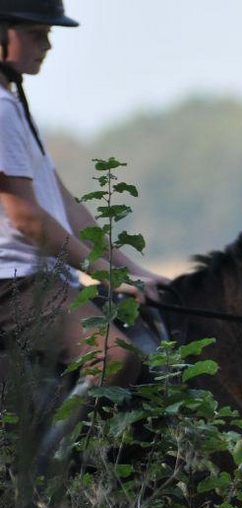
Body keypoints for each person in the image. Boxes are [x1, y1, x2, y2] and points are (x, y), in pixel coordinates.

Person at [0, 1, 166, 395]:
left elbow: (69, 208)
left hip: (43, 277)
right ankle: (53, 458)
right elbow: (27, 218)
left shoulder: (13, 106)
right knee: (114, 357)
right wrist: (106, 273)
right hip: (13, 284)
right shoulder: (1, 109)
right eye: (36, 34)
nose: (48, 45)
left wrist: (134, 270)